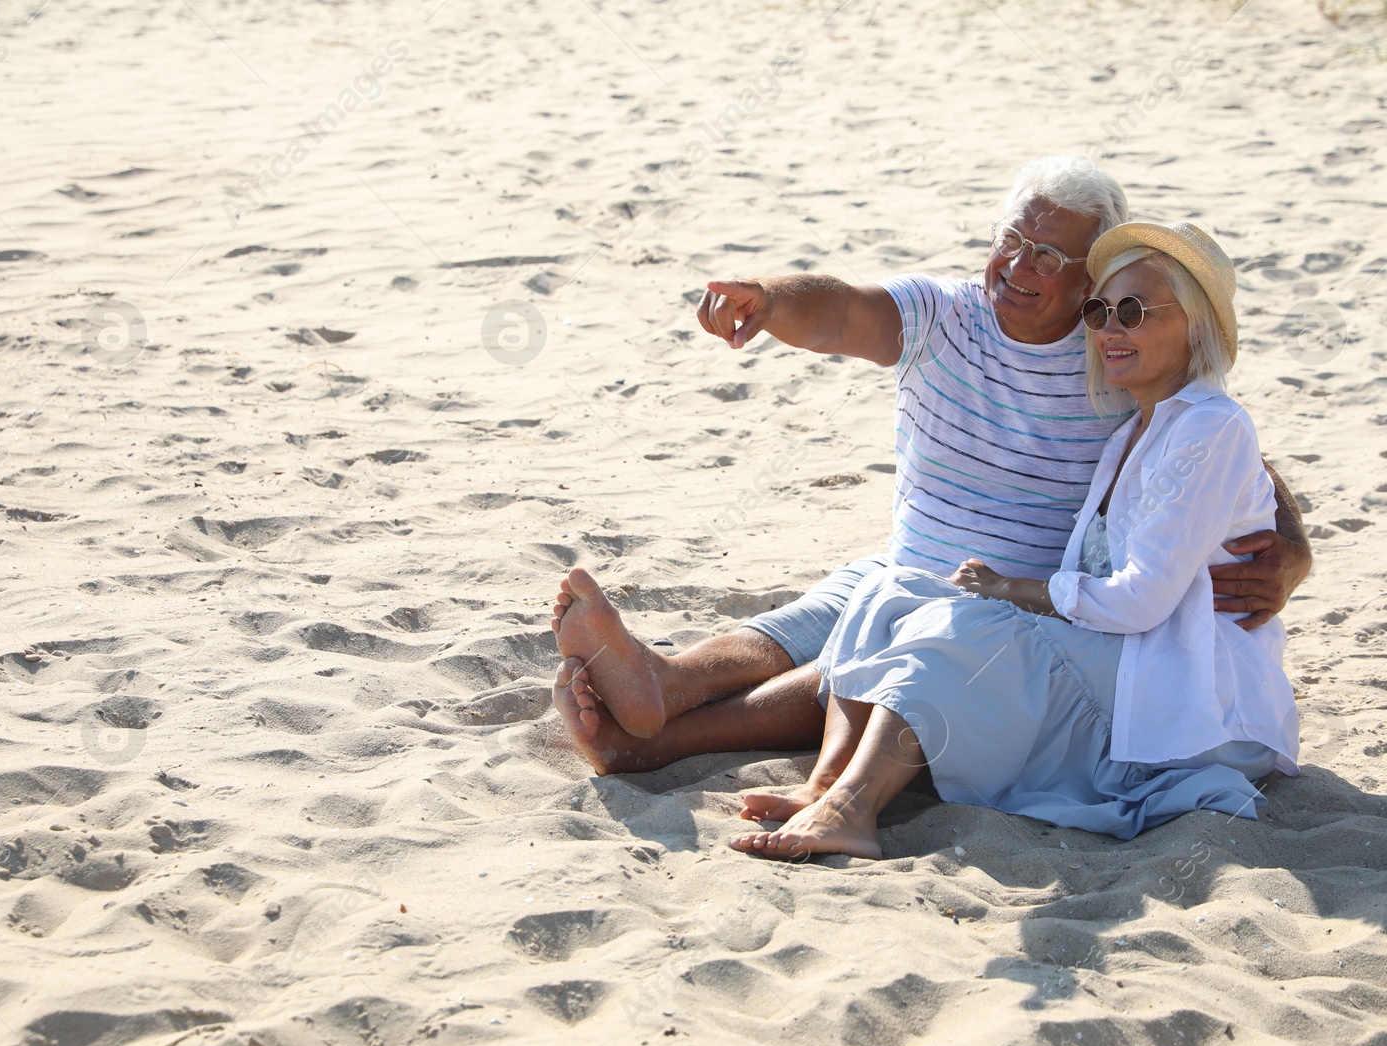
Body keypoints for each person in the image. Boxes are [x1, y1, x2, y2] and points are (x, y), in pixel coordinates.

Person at [550, 157, 1310, 780]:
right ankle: (668, 682)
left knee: (897, 640)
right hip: (907, 563)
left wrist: (1292, 554)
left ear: (1089, 281)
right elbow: (843, 312)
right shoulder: (945, 315)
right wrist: (768, 300)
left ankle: (656, 742)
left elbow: (1224, 456)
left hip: (1009, 608)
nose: (1017, 265)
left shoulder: (1115, 348)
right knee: (841, 602)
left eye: (1048, 257)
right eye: (1012, 238)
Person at [729, 220, 1299, 857]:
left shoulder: (1212, 426)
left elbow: (1143, 601)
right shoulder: (1126, 436)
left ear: (1195, 326)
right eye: (1099, 310)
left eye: (1134, 311)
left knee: (967, 625)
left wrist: (1013, 590)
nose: (1110, 328)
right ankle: (826, 784)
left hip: (1192, 697)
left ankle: (852, 810)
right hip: (1126, 661)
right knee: (893, 591)